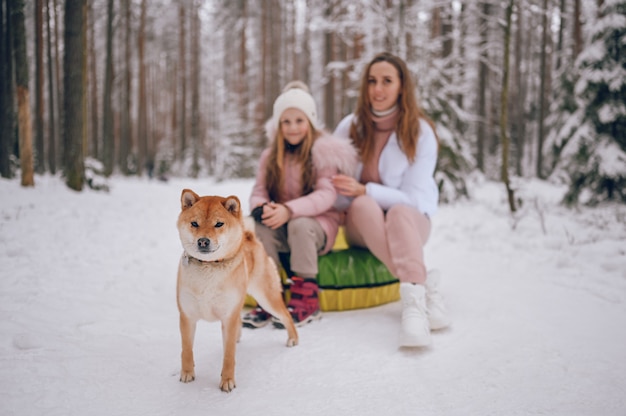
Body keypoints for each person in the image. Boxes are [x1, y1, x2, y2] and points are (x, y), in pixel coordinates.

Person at [331, 52, 450, 347]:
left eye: (387, 81)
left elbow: (412, 197)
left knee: (396, 211)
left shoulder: (421, 132)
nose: (378, 89)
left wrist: (366, 188)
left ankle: (413, 304)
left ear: (401, 87)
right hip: (362, 224)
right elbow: (331, 187)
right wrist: (353, 193)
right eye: (372, 81)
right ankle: (421, 290)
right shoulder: (350, 127)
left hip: (412, 221)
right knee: (362, 204)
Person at [244, 81, 358, 328]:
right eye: (286, 121)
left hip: (315, 225)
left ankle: (308, 299)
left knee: (300, 224)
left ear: (310, 122)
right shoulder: (270, 156)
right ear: (278, 125)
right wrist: (263, 207)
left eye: (299, 120)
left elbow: (326, 195)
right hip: (282, 221)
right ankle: (269, 295)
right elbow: (259, 190)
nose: (293, 127)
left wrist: (290, 210)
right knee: (259, 226)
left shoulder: (322, 152)